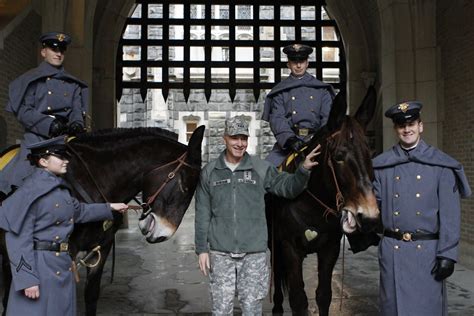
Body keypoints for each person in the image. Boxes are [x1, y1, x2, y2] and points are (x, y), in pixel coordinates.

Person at [194, 115, 321, 314]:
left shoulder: (261, 169)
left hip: (254, 254)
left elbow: (287, 187)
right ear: (224, 139)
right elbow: (202, 212)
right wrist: (202, 249)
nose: (240, 143)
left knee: (252, 310)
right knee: (221, 310)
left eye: (243, 138)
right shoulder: (210, 172)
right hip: (220, 253)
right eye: (235, 138)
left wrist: (303, 170)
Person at [0, 136, 129, 316]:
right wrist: (27, 279)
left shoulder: (60, 188)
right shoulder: (29, 192)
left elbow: (79, 211)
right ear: (43, 161)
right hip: (40, 268)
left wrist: (109, 208)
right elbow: (17, 238)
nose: (66, 160)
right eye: (60, 156)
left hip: (61, 265)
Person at [372, 101, 471, 316]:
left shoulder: (442, 166)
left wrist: (448, 255)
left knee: (426, 309)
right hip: (393, 251)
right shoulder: (381, 166)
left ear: (420, 126)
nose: (407, 130)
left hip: (426, 254)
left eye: (411, 124)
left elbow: (450, 215)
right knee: (392, 309)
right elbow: (373, 205)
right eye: (401, 126)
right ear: (395, 129)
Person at [0, 31, 88, 196]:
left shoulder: (73, 83)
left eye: (62, 50)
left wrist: (77, 123)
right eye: (54, 49)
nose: (58, 53)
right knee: (22, 176)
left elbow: (77, 109)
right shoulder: (30, 80)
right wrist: (48, 125)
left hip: (65, 138)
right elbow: (23, 111)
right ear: (43, 52)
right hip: (38, 138)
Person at [262, 43, 335, 167]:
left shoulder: (322, 90)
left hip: (318, 142)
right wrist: (290, 139)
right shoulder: (280, 91)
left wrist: (320, 139)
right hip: (290, 143)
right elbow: (277, 118)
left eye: (302, 61)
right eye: (294, 61)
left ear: (307, 63)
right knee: (266, 174)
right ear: (288, 64)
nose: (298, 65)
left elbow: (328, 118)